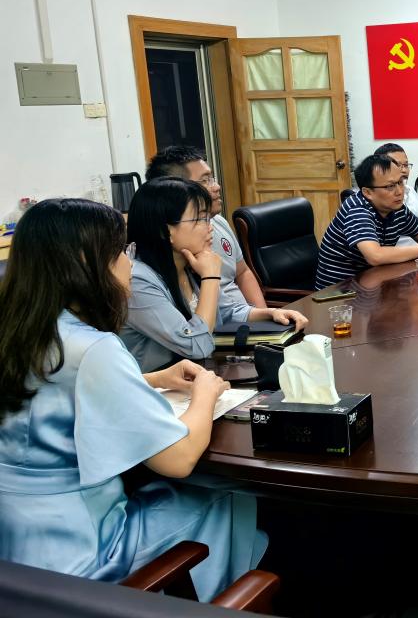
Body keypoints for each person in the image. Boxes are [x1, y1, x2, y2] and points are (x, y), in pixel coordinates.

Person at [0, 198, 266, 601]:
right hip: (85, 555)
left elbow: (48, 390)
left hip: (16, 550)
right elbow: (179, 459)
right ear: (87, 264)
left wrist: (151, 378)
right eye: (121, 251)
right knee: (228, 492)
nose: (129, 263)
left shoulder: (21, 330)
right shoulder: (94, 348)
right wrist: (206, 394)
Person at [120, 178, 307, 373]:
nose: (210, 227)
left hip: (201, 374)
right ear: (165, 231)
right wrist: (210, 277)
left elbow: (226, 312)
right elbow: (196, 346)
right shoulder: (137, 281)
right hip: (160, 387)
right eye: (200, 219)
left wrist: (269, 313)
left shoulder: (188, 264)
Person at [146, 145, 267, 309]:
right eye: (205, 180)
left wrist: (265, 314)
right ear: (176, 188)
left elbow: (243, 272)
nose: (216, 186)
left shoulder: (219, 222)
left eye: (212, 178)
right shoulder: (179, 246)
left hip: (240, 315)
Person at [315, 154, 418, 290]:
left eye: (400, 182)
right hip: (340, 293)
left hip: (374, 284)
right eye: (390, 186)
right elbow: (375, 256)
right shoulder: (357, 210)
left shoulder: (396, 208)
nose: (399, 191)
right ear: (368, 192)